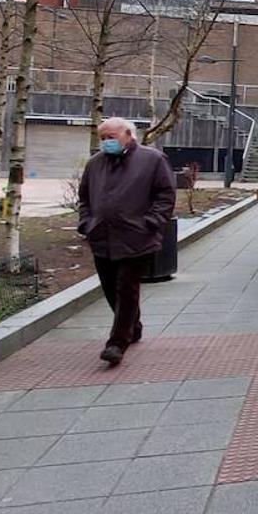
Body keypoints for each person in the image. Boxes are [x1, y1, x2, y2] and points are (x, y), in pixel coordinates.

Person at [77, 117, 176, 365]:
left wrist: (151, 223)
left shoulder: (152, 159)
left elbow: (165, 195)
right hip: (101, 237)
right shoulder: (95, 163)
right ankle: (133, 326)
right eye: (102, 138)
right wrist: (86, 223)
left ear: (129, 135)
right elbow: (84, 198)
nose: (106, 142)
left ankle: (117, 343)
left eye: (111, 137)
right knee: (111, 289)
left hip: (136, 238)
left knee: (127, 289)